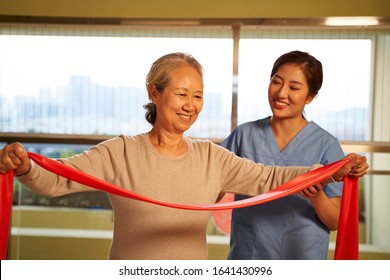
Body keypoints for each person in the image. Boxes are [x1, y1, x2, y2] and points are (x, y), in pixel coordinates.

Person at [0, 52, 368, 260]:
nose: (191, 106)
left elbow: (268, 177)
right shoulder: (120, 151)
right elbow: (56, 179)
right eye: (182, 94)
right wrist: (25, 165)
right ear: (155, 93)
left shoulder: (211, 157)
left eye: (198, 96)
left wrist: (331, 172)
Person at [221, 50, 361, 260]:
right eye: (276, 82)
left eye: (294, 87)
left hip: (302, 256)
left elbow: (334, 222)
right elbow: (213, 180)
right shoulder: (244, 135)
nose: (281, 93)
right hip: (249, 255)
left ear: (310, 97)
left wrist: (316, 195)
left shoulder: (325, 145)